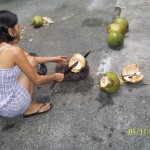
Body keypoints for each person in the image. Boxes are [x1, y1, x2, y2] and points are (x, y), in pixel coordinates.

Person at [0, 10, 67, 118]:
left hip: (1, 104)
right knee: (31, 63)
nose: (20, 30)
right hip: (11, 106)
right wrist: (55, 76)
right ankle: (29, 108)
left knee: (30, 60)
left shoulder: (5, 48)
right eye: (18, 27)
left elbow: (28, 57)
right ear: (10, 31)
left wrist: (54, 59)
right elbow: (38, 80)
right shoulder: (14, 51)